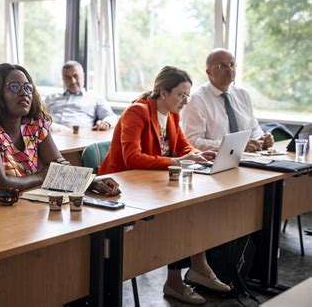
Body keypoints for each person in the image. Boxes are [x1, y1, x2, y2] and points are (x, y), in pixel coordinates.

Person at [99, 66, 230, 305]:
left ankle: (195, 269)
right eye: (181, 95)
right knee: (180, 213)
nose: (185, 101)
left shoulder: (171, 115)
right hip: (122, 187)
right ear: (163, 93)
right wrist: (177, 161)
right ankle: (178, 280)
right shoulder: (136, 112)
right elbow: (132, 158)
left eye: (187, 96)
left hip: (152, 186)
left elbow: (183, 147)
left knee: (194, 206)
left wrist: (198, 155)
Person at [0, 63, 120, 203]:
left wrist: (90, 183)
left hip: (16, 204)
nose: (24, 92)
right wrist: (42, 176)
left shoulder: (34, 125)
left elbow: (58, 168)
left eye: (27, 87)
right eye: (14, 87)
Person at [181, 48, 274, 152]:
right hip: (215, 162)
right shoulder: (196, 99)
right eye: (223, 66)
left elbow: (253, 128)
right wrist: (234, 146)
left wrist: (261, 138)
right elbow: (192, 141)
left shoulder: (243, 94)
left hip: (250, 157)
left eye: (232, 65)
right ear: (209, 72)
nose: (230, 69)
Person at [44, 60, 117, 132]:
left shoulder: (95, 98)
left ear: (83, 77)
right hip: (50, 136)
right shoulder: (50, 98)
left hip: (77, 137)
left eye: (76, 76)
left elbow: (111, 116)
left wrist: (106, 123)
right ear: (63, 79)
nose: (73, 81)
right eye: (67, 77)